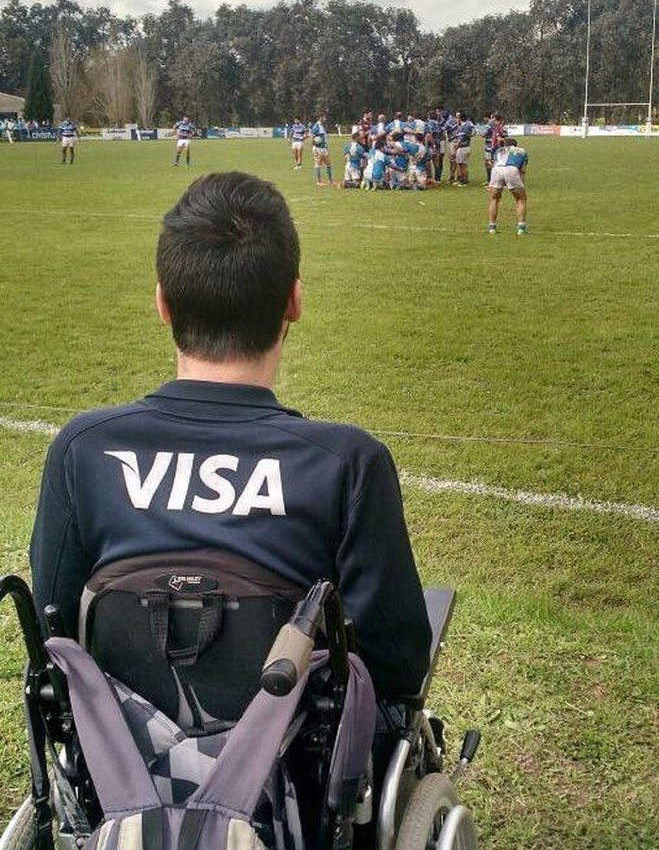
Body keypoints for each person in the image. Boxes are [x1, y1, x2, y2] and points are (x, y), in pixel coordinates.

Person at [30, 171, 432, 705]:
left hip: (116, 769)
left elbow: (51, 635)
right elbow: (396, 667)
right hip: (293, 774)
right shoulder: (347, 464)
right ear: (293, 302)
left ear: (162, 303)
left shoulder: (84, 448)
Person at [487, 136, 529, 235]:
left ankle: (492, 227)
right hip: (511, 169)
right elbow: (522, 170)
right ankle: (521, 228)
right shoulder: (522, 151)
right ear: (515, 145)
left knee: (494, 199)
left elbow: (493, 164)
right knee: (521, 199)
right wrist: (521, 183)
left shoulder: (498, 150)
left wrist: (490, 183)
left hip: (496, 170)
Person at [451, 111, 476, 185]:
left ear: (460, 118)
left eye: (457, 117)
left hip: (463, 148)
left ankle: (465, 181)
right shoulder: (464, 125)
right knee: (461, 164)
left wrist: (455, 149)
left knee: (463, 165)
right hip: (464, 147)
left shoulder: (464, 127)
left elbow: (460, 139)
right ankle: (461, 179)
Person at [310, 113, 333, 185]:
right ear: (320, 118)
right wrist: (315, 147)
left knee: (328, 163)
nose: (325, 118)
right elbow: (312, 137)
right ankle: (319, 182)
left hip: (324, 148)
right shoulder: (316, 126)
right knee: (318, 164)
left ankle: (330, 181)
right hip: (318, 148)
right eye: (324, 117)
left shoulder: (321, 126)